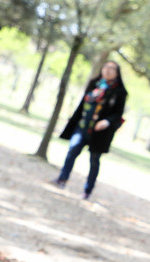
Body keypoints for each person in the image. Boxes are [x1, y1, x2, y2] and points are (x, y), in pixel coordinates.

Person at [52, 62, 127, 200]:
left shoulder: (120, 92)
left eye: (112, 69)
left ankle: (88, 190)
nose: (108, 71)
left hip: (100, 133)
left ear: (117, 72)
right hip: (83, 126)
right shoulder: (95, 84)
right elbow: (83, 104)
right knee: (73, 148)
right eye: (106, 67)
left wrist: (106, 122)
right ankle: (62, 178)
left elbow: (118, 114)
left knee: (94, 160)